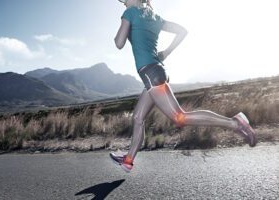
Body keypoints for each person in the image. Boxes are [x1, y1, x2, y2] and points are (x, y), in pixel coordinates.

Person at [110, 0, 257, 173]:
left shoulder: (130, 13)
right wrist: (165, 52)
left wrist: (125, 15)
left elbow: (119, 43)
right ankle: (128, 160)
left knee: (180, 117)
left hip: (150, 73)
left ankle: (234, 122)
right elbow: (182, 31)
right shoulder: (155, 17)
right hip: (156, 71)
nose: (123, 2)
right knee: (137, 118)